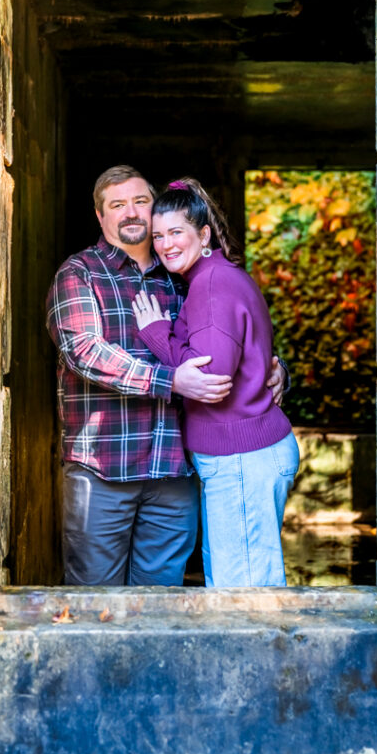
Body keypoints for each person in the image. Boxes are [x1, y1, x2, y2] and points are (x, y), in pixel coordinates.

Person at [46, 165, 286, 587]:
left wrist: (274, 366)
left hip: (173, 472)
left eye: (141, 201)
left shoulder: (183, 274)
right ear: (101, 217)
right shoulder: (79, 274)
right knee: (94, 599)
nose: (132, 212)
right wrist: (168, 380)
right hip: (105, 468)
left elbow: (230, 335)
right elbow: (83, 351)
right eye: (117, 205)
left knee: (161, 600)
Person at [133, 178, 300, 588]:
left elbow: (211, 379)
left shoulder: (210, 286)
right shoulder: (217, 277)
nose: (166, 244)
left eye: (177, 232)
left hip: (243, 458)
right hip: (243, 455)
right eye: (158, 236)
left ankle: (259, 656)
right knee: (236, 583)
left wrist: (157, 333)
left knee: (243, 596)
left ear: (203, 233)